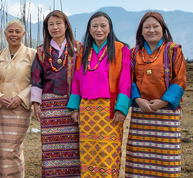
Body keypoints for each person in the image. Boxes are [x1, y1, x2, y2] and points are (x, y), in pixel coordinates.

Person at [67, 11, 131, 178]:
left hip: (109, 110)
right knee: (89, 153)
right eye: (94, 26)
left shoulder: (121, 50)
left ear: (110, 29)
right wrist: (75, 108)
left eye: (103, 26)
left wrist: (121, 108)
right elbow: (77, 81)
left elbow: (125, 79)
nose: (99, 29)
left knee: (107, 153)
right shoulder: (84, 52)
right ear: (89, 29)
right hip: (87, 110)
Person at [125, 12, 186, 178]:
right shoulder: (134, 52)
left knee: (165, 159)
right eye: (147, 27)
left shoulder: (173, 50)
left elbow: (179, 80)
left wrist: (163, 102)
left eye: (155, 26)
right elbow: (129, 81)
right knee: (139, 159)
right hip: (140, 112)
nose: (151, 30)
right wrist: (138, 100)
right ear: (141, 31)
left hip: (166, 113)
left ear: (163, 29)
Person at [31, 10, 82, 177]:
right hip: (49, 105)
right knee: (51, 145)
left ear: (66, 25)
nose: (55, 27)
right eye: (50, 24)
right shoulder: (41, 51)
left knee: (73, 145)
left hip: (72, 104)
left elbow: (83, 77)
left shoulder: (78, 49)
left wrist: (78, 105)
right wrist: (36, 104)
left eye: (58, 23)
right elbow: (36, 78)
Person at [0, 19, 36, 178]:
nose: (14, 34)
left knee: (13, 149)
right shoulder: (0, 55)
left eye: (17, 31)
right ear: (5, 33)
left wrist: (21, 97)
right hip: (1, 109)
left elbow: (37, 81)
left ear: (23, 33)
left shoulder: (32, 54)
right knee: (1, 150)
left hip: (20, 109)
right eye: (10, 31)